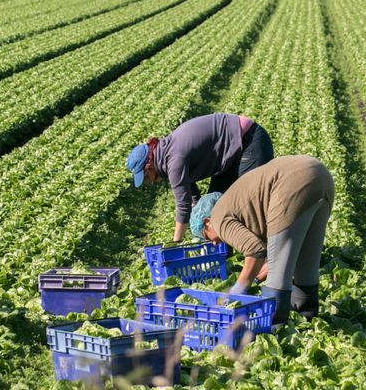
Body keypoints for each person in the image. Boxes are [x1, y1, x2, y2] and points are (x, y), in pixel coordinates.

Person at [188, 155, 335, 325]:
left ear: (207, 222)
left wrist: (240, 287)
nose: (214, 242)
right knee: (307, 261)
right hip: (321, 175)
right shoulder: (234, 203)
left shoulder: (218, 217)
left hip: (291, 184)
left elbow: (255, 251)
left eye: (207, 237)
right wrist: (268, 265)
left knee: (278, 279)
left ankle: (277, 327)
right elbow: (267, 249)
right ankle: (307, 319)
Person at [126, 113, 274, 242]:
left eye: (146, 177)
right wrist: (198, 212)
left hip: (249, 140)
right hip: (230, 154)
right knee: (215, 210)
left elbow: (183, 206)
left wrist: (175, 244)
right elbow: (191, 197)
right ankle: (225, 261)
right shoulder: (167, 154)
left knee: (250, 205)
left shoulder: (173, 160)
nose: (150, 181)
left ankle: (265, 258)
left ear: (149, 166)